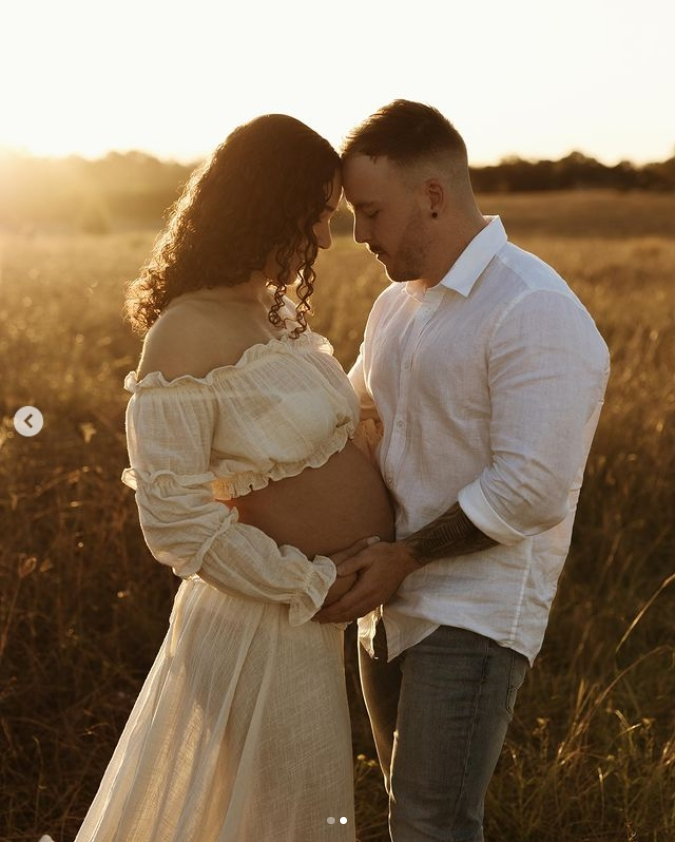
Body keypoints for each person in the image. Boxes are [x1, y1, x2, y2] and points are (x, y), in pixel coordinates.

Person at [71, 114, 394, 842]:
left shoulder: (275, 313)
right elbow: (175, 520)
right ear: (263, 207)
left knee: (277, 815)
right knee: (289, 821)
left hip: (312, 615)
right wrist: (307, 583)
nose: (321, 239)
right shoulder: (182, 332)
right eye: (313, 217)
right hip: (261, 619)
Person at [314, 100, 610, 841]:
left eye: (371, 213)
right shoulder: (393, 307)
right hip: (384, 601)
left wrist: (405, 555)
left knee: (431, 826)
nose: (360, 236)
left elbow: (530, 488)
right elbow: (349, 418)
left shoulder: (532, 307)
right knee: (406, 813)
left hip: (469, 607)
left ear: (433, 197)